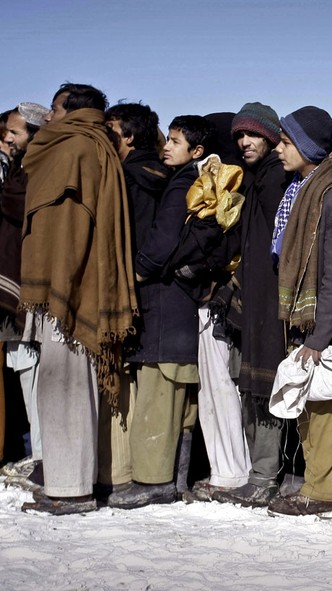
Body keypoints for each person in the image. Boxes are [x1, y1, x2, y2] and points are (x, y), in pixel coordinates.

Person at [18, 83, 136, 514]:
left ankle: (71, 490)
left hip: (69, 290)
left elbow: (69, 228)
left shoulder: (75, 149)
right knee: (67, 386)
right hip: (72, 287)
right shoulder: (91, 145)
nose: (48, 118)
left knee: (65, 386)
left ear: (71, 112)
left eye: (54, 109)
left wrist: (62, 290)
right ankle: (71, 481)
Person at [107, 115, 217, 509]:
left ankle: (153, 481)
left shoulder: (181, 184)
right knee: (179, 404)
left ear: (196, 150)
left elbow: (161, 242)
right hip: (181, 305)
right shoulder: (191, 180)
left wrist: (134, 274)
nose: (166, 147)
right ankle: (178, 479)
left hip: (164, 305)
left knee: (156, 397)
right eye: (166, 139)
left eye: (174, 141)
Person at [265, 106, 332, 517]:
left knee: (328, 411)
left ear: (306, 147)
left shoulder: (331, 196)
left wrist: (320, 336)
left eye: (286, 142)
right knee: (310, 409)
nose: (279, 150)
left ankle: (324, 492)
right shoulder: (302, 191)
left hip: (327, 325)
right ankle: (314, 484)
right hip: (310, 321)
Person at [203, 103, 288, 507]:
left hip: (271, 297)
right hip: (253, 295)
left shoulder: (275, 179)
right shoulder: (253, 178)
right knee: (249, 383)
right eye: (239, 135)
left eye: (252, 134)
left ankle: (265, 474)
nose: (244, 142)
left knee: (266, 381)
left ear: (270, 137)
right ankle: (258, 471)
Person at [0, 102, 49, 488]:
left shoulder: (33, 171)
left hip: (31, 291)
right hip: (23, 292)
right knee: (26, 372)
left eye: (14, 132)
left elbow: (19, 204)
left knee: (34, 374)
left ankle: (43, 458)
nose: (8, 139)